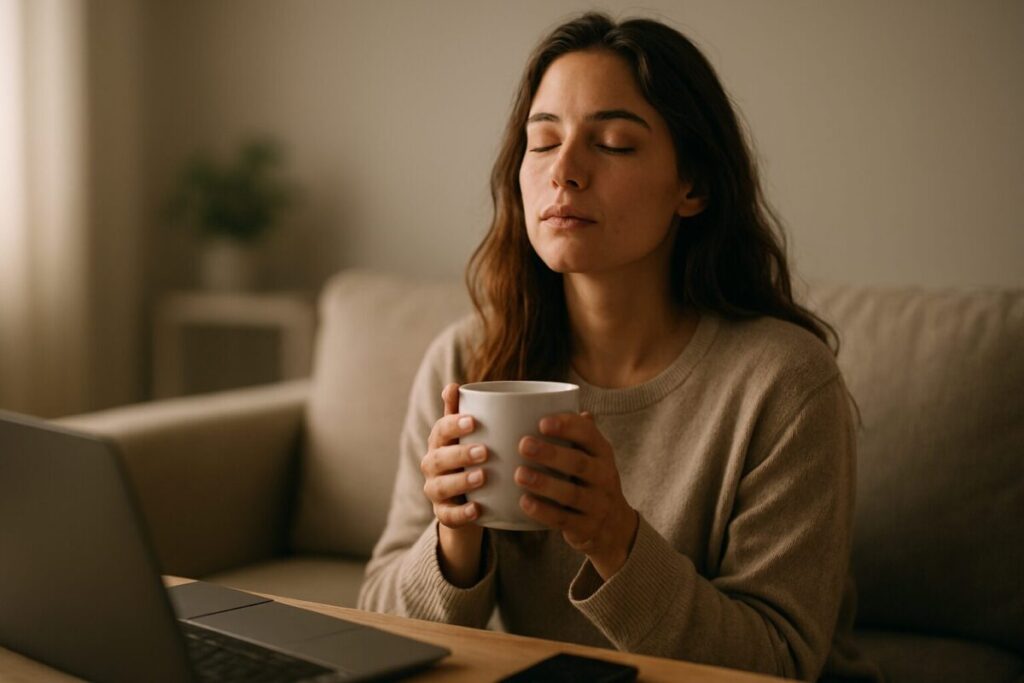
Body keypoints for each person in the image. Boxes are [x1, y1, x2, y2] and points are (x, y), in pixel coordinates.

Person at [358, 12, 880, 682]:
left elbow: (778, 659)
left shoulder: (783, 381)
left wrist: (615, 538)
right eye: (542, 143)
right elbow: (375, 621)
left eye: (611, 143)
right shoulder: (469, 362)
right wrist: (454, 538)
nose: (565, 172)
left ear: (692, 186)